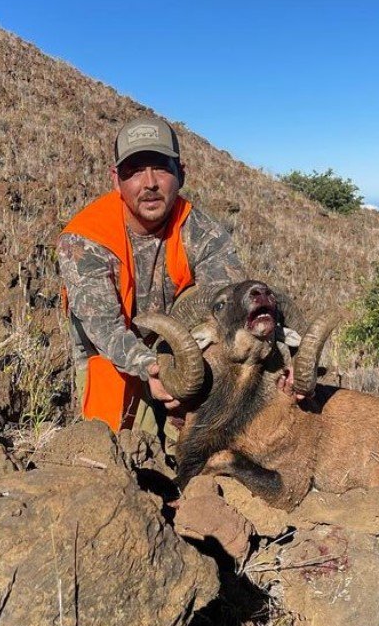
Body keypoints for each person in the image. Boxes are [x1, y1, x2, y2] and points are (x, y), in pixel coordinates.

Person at [58, 116, 244, 433]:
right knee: (114, 450)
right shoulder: (85, 238)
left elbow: (233, 308)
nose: (149, 183)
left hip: (180, 352)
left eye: (160, 167)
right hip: (111, 355)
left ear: (180, 174)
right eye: (134, 171)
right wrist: (152, 370)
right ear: (116, 180)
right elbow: (105, 330)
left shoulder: (202, 232)